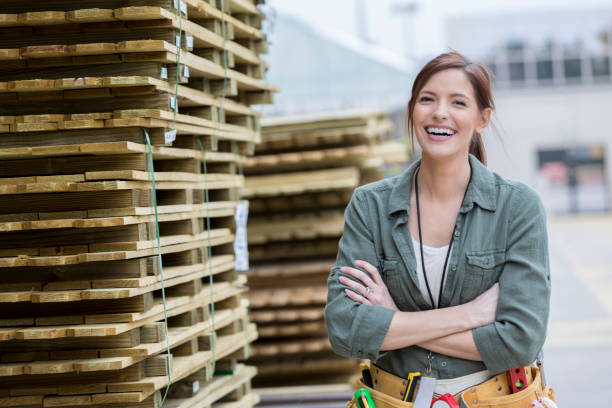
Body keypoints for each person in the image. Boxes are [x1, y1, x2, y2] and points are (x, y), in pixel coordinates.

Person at [325, 52, 551, 401]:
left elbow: (520, 341)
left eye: (458, 102)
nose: (439, 112)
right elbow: (345, 329)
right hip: (393, 400)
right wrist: (469, 315)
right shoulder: (370, 206)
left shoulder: (517, 207)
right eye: (427, 99)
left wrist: (393, 320)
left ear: (482, 119)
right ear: (412, 110)